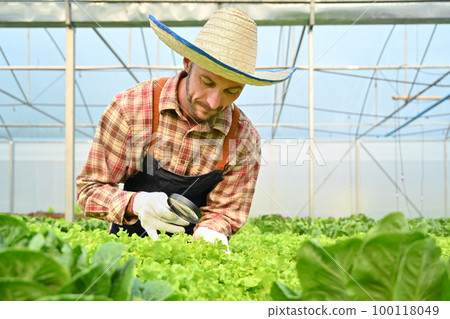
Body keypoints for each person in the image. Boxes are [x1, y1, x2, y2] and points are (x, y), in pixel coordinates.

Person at [76, 7, 295, 252]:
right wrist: (136, 203)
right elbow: (89, 191)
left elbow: (225, 212)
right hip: (126, 255)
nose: (214, 102)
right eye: (207, 82)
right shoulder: (132, 109)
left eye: (232, 91)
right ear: (188, 63)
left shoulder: (243, 139)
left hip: (192, 255)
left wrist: (212, 230)